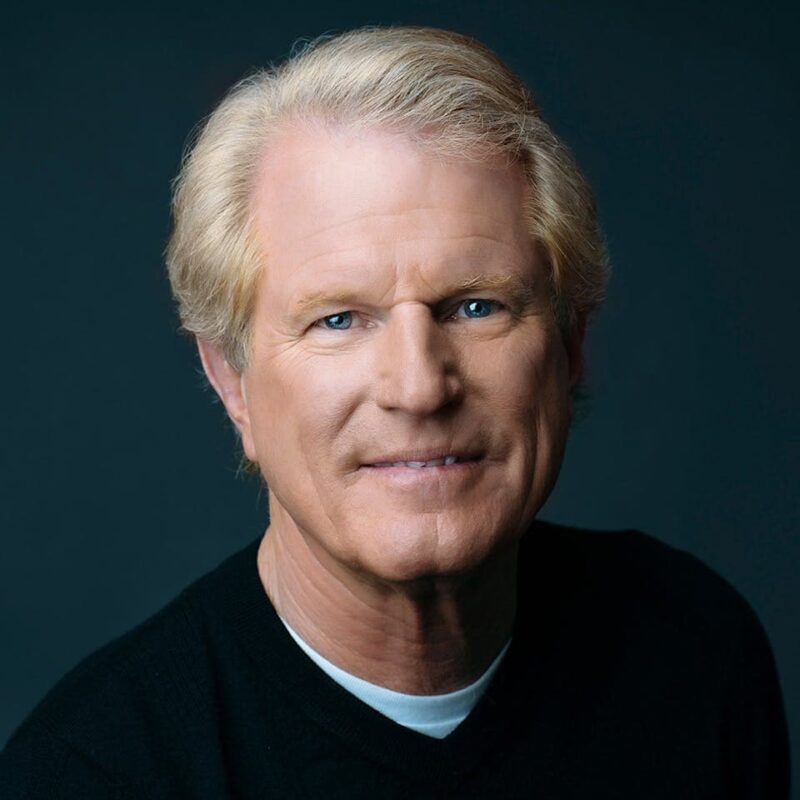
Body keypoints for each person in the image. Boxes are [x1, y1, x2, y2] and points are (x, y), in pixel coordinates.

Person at [0, 26, 789, 798]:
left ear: (570, 344)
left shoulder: (693, 652)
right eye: (338, 319)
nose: (419, 387)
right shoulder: (92, 773)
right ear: (231, 380)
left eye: (477, 306)